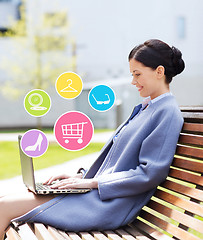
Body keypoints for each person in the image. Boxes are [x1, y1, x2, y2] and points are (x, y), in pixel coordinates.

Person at [0, 39, 185, 239]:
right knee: (4, 201)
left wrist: (92, 183)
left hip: (107, 204)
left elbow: (150, 173)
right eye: (132, 75)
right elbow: (116, 163)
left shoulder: (167, 113)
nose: (133, 81)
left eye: (137, 74)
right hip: (97, 196)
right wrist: (80, 178)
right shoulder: (147, 108)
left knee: (3, 207)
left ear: (159, 72)